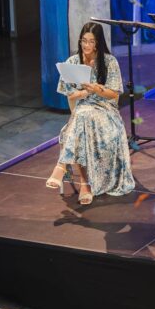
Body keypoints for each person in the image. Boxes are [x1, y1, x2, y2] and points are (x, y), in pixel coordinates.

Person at [46, 22, 134, 204]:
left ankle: (62, 167)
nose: (86, 45)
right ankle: (85, 184)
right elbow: (71, 95)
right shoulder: (72, 62)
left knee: (82, 117)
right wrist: (82, 96)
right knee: (82, 117)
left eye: (91, 41)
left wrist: (95, 89)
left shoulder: (109, 62)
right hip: (81, 111)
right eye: (83, 41)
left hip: (105, 110)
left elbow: (114, 94)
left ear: (98, 43)